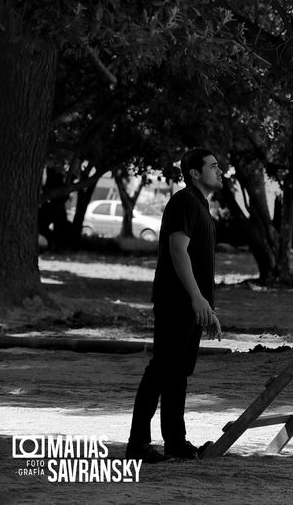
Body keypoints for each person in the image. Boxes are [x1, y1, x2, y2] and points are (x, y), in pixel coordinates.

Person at [126, 149, 224, 463]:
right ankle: (137, 444)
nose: (219, 170)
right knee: (161, 370)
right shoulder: (184, 201)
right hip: (175, 301)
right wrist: (196, 298)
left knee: (177, 373)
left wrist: (207, 306)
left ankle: (176, 442)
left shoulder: (200, 206)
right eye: (212, 166)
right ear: (195, 173)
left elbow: (198, 261)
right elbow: (177, 250)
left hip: (192, 303)